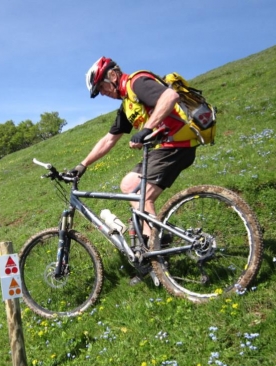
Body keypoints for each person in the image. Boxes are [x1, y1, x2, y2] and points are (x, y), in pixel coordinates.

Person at [70, 57, 199, 283]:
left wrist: (147, 128)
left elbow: (170, 96)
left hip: (177, 144)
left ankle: (159, 246)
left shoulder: (137, 83)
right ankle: (155, 243)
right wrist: (83, 164)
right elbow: (109, 139)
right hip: (163, 148)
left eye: (101, 86)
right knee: (129, 185)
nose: (103, 93)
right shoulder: (127, 104)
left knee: (142, 195)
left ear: (112, 75)